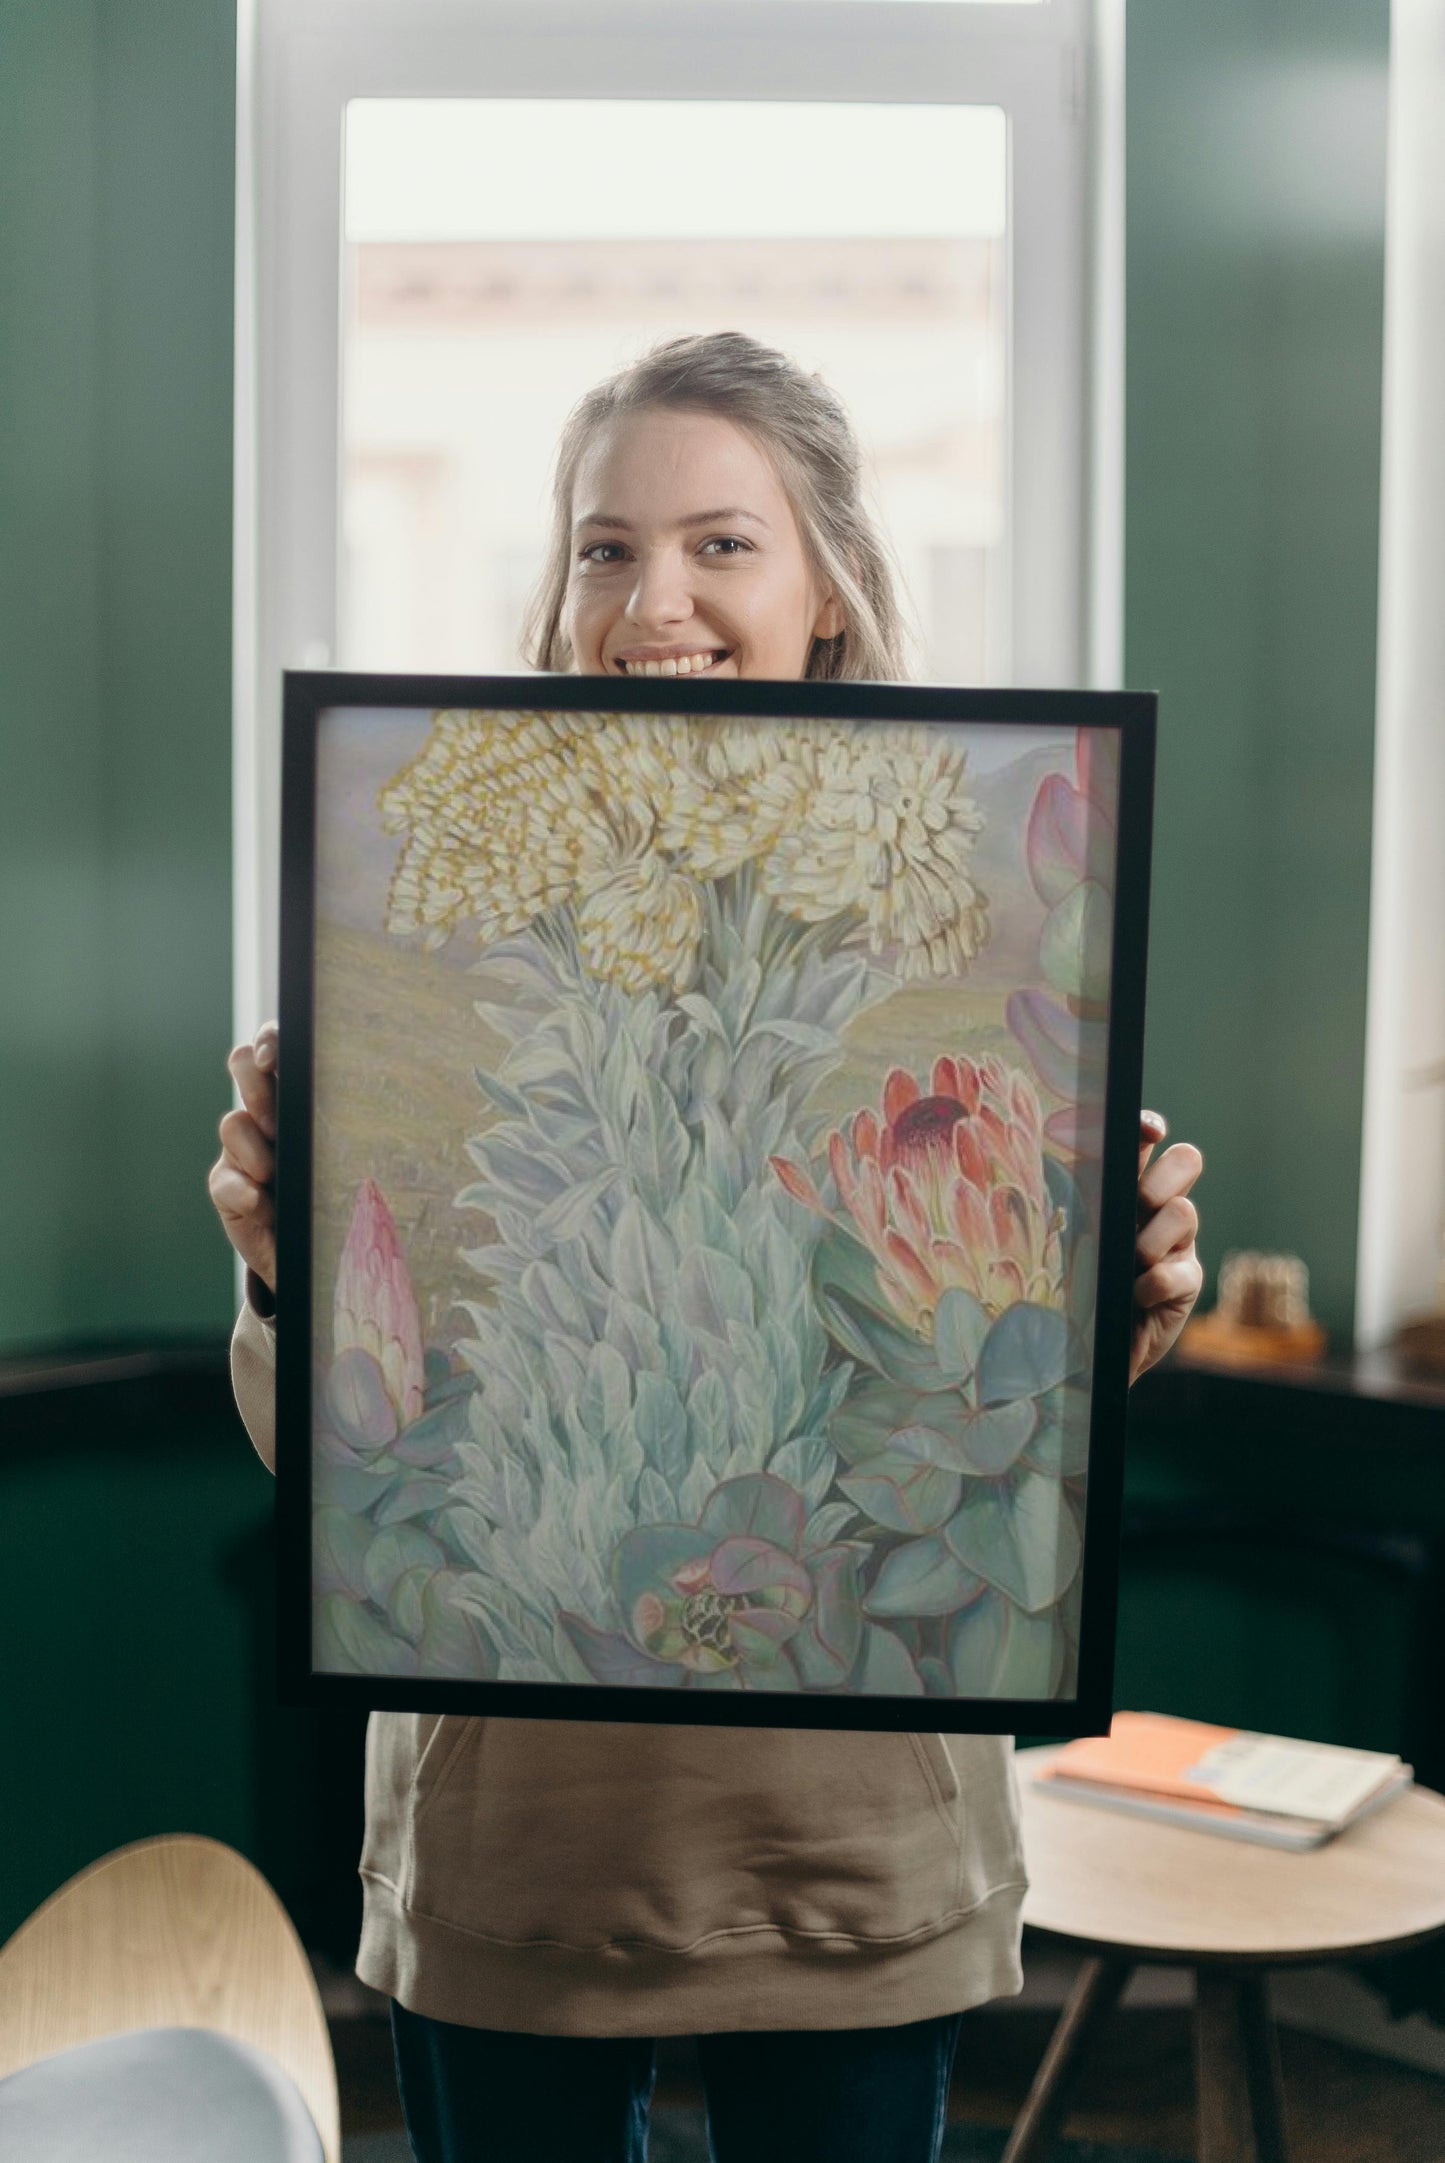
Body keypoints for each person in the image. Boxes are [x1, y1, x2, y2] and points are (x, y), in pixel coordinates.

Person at [210, 332, 1204, 2163]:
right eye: (603, 546)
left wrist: (1116, 1300)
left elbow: (997, 1422)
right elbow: (340, 1465)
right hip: (517, 1843)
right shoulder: (411, 919)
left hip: (849, 1844)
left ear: (827, 585)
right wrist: (282, 1276)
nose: (649, 598)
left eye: (719, 544)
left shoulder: (986, 915)